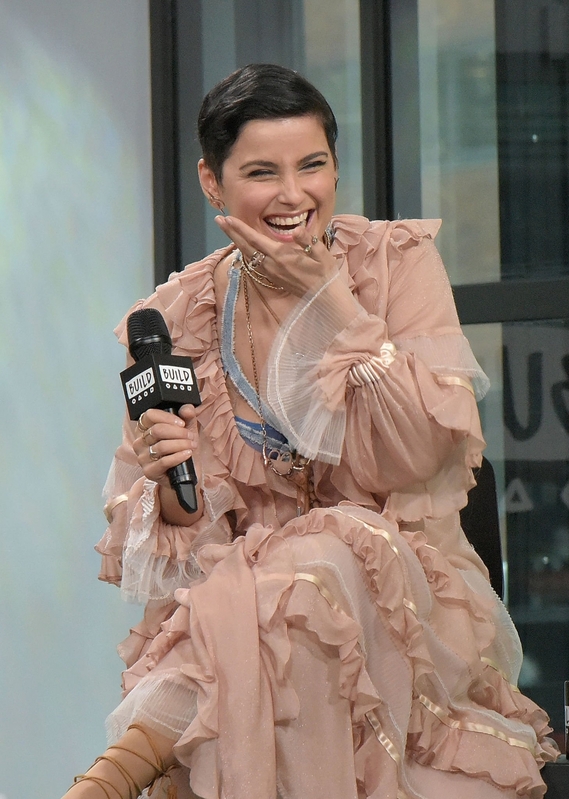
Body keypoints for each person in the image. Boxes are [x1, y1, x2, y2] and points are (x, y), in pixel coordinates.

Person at [63, 64, 558, 799]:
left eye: (313, 165)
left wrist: (326, 298)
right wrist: (169, 486)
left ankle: (107, 780)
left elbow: (418, 450)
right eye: (262, 172)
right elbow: (182, 551)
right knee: (268, 593)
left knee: (322, 553)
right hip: (251, 619)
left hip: (404, 609)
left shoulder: (394, 265)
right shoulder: (178, 313)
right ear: (211, 181)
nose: (293, 195)